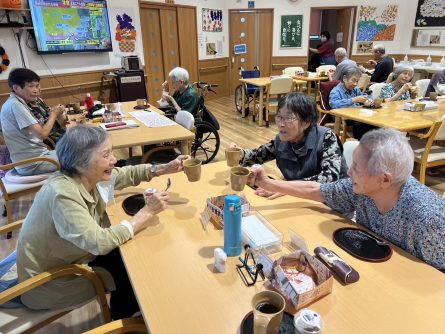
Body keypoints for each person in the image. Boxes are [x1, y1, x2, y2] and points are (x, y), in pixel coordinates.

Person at [16, 125, 189, 319]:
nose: (114, 160)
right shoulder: (62, 194)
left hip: (72, 256)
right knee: (130, 270)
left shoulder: (85, 176)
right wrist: (146, 212)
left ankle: (129, 313)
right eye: (106, 155)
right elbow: (99, 243)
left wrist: (164, 168)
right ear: (81, 163)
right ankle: (127, 321)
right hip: (49, 282)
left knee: (131, 254)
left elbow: (125, 174)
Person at [248, 128, 445, 271]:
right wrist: (268, 184)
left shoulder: (428, 220)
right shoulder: (362, 189)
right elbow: (318, 190)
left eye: (356, 168)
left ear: (384, 179)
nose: (348, 172)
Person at [231, 92, 347, 199]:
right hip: (297, 200)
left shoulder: (326, 137)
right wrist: (241, 154)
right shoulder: (282, 139)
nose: (281, 124)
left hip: (331, 205)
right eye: (279, 117)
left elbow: (328, 180)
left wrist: (283, 187)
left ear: (306, 122)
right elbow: (257, 156)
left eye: (288, 118)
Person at [0, 68, 64, 175]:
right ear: (16, 88)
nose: (36, 90)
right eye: (30, 86)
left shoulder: (19, 102)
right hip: (32, 163)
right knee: (82, 160)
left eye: (37, 85)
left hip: (39, 156)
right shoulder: (15, 105)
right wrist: (54, 114)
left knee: (78, 153)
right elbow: (43, 135)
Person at [329, 67, 375, 139]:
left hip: (356, 115)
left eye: (357, 81)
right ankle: (361, 143)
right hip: (343, 117)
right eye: (353, 80)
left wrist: (368, 100)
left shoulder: (355, 90)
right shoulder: (336, 91)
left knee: (373, 122)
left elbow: (366, 96)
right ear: (344, 78)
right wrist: (353, 100)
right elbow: (334, 104)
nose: (355, 84)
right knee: (361, 125)